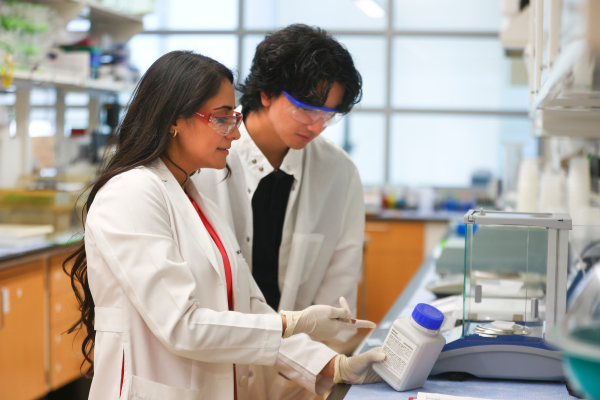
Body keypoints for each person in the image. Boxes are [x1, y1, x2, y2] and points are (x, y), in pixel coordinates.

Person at [64, 51, 384, 400]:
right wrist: (290, 323)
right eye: (221, 119)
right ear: (174, 119)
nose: (234, 133)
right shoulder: (131, 194)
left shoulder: (194, 196)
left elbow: (247, 310)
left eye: (233, 117)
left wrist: (331, 365)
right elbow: (183, 326)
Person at [194, 24, 365, 333]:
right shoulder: (204, 157)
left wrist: (321, 363)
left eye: (327, 115)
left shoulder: (339, 171)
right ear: (267, 92)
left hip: (300, 361)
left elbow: (340, 277)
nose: (315, 126)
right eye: (304, 109)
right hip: (214, 350)